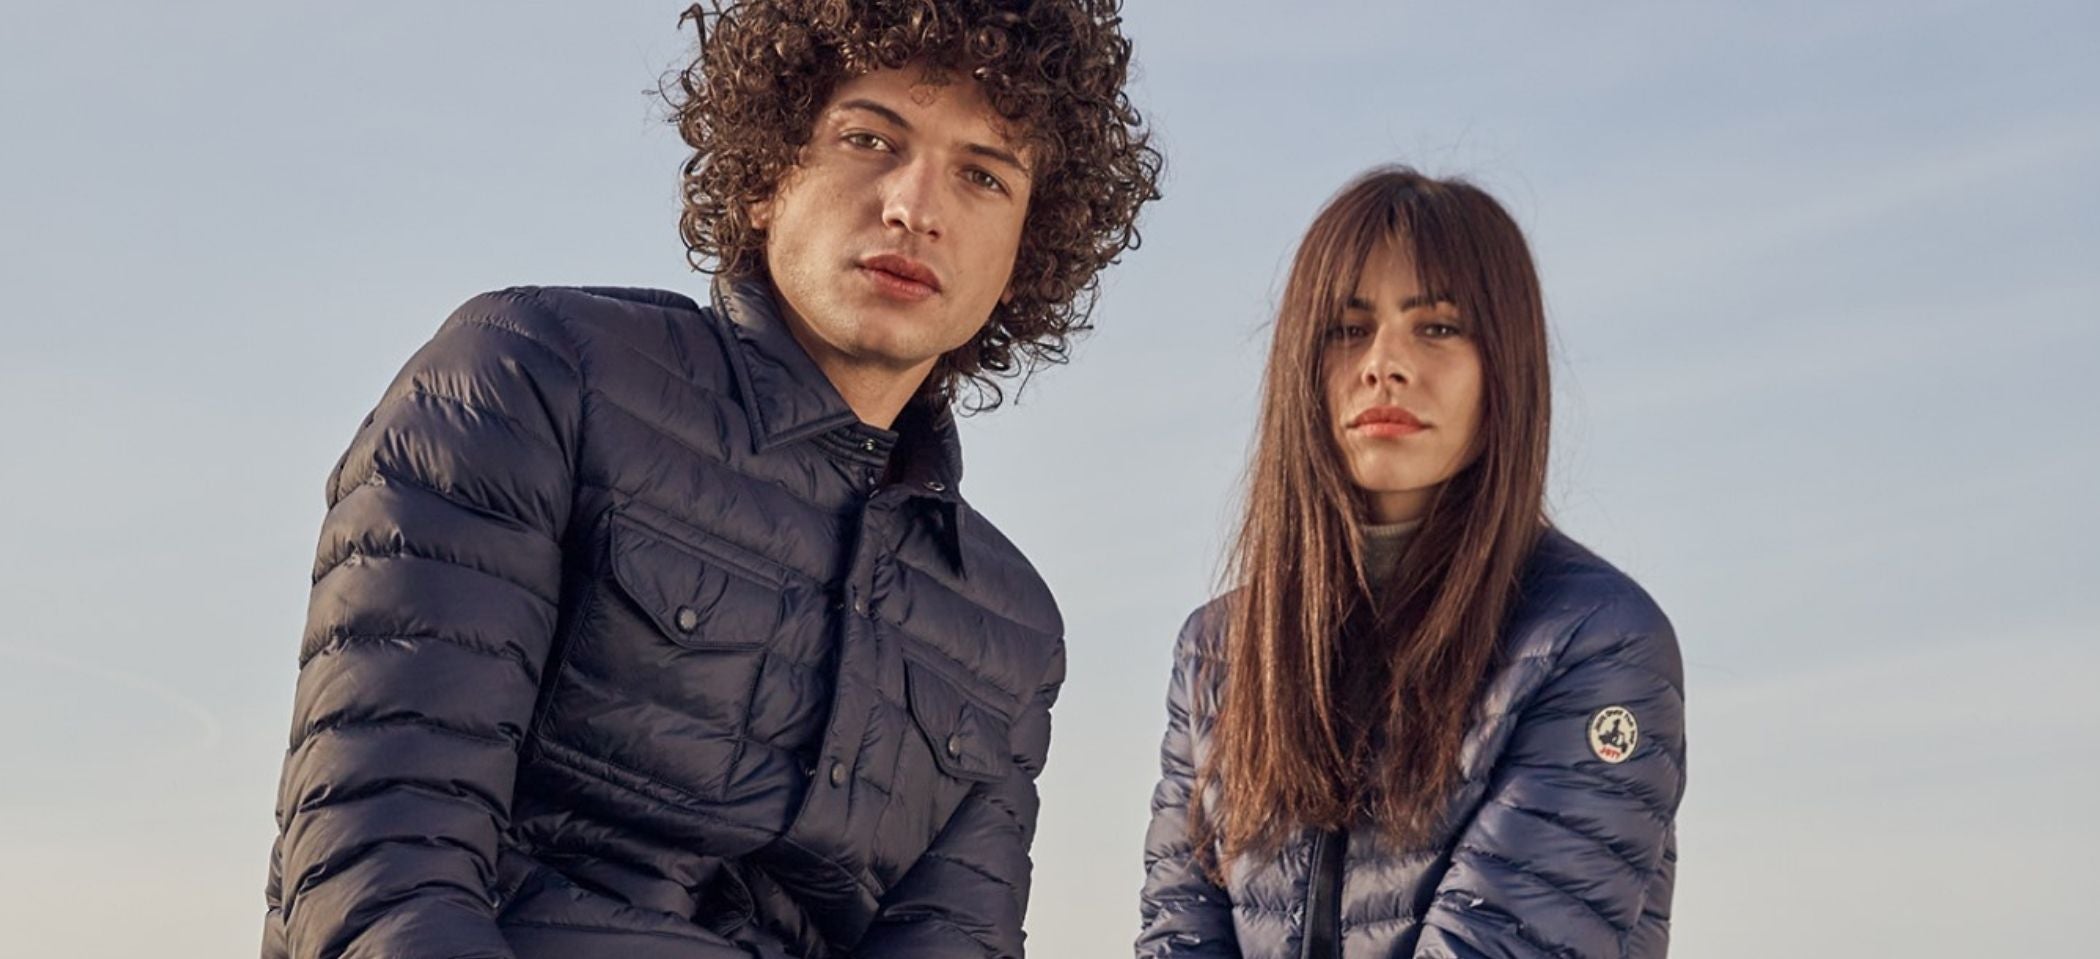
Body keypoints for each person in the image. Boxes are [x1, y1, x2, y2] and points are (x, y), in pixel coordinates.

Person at [261, 2, 1160, 957]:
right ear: (768, 175)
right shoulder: (535, 381)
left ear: (1024, 250)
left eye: (983, 175)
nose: (915, 207)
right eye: (869, 139)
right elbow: (380, 872)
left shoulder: (1011, 627)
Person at [1136, 168, 1686, 958]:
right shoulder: (1219, 650)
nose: (1383, 364)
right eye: (1347, 328)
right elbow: (1177, 935)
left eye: (1437, 327)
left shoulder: (1593, 641)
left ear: (1506, 366)